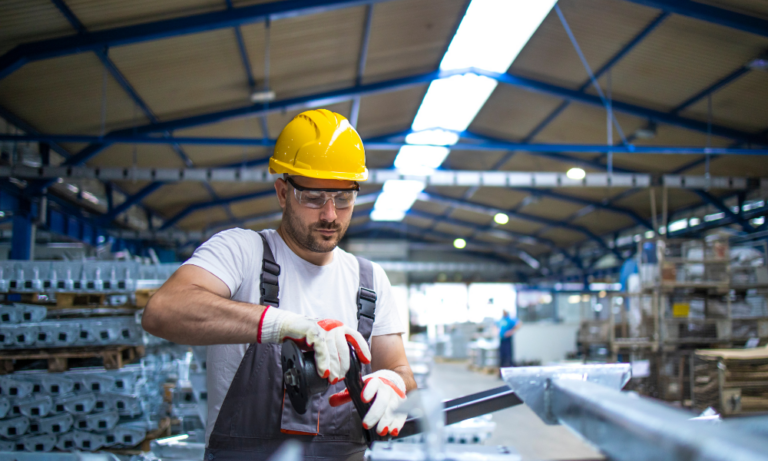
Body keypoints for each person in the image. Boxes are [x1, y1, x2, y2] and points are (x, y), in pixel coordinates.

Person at [142, 109, 416, 461]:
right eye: (314, 198)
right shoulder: (241, 252)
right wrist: (284, 325)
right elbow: (162, 311)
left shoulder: (370, 279)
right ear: (283, 192)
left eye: (344, 198)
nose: (330, 215)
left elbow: (399, 371)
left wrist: (395, 386)